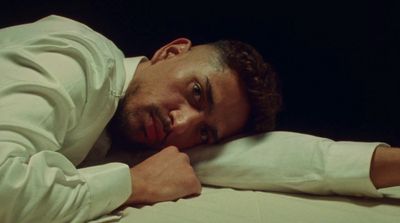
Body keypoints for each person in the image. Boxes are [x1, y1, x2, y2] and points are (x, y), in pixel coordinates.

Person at [0, 15, 399, 223]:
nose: (182, 125)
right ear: (171, 52)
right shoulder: (74, 63)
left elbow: (237, 159)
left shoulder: (128, 125)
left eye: (205, 130)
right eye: (196, 93)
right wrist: (132, 185)